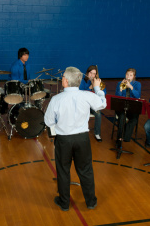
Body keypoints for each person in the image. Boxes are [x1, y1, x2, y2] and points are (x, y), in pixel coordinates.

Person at [45, 67, 106, 211]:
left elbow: (48, 122)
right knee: (85, 170)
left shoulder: (56, 99)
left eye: (63, 78)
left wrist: (60, 124)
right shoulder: (86, 95)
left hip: (63, 140)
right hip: (82, 139)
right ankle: (91, 201)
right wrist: (97, 88)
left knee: (63, 170)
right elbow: (102, 104)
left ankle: (64, 202)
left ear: (65, 81)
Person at [115, 68, 142, 147]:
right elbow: (117, 97)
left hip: (132, 108)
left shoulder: (137, 84)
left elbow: (137, 96)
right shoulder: (120, 83)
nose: (128, 77)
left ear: (134, 76)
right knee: (122, 117)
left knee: (134, 119)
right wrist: (120, 89)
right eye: (127, 75)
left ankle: (125, 137)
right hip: (121, 107)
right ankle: (119, 139)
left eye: (130, 75)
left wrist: (131, 87)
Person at [79, 65, 106, 142]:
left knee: (98, 114)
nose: (92, 75)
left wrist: (97, 87)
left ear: (96, 75)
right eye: (90, 73)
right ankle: (81, 131)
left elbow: (104, 94)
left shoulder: (98, 82)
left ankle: (97, 133)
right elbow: (80, 94)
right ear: (87, 73)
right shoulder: (83, 81)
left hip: (93, 105)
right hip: (83, 104)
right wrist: (90, 87)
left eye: (94, 74)